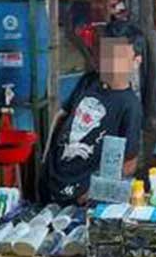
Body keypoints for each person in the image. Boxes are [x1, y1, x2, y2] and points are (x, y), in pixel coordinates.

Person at [41, 20, 146, 205]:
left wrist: (93, 191)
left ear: (136, 62)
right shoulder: (89, 81)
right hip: (53, 182)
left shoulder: (130, 105)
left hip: (82, 195)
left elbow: (130, 163)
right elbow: (62, 119)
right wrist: (45, 162)